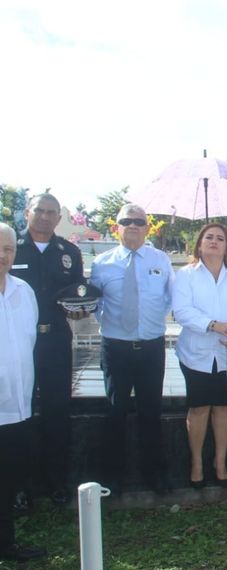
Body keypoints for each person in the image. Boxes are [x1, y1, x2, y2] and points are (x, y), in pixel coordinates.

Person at [89, 204, 174, 495]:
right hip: (116, 348)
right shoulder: (102, 263)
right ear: (117, 227)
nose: (133, 226)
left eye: (139, 221)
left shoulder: (161, 260)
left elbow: (170, 299)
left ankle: (156, 475)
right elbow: (94, 303)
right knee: (115, 412)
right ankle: (112, 477)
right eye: (127, 221)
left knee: (151, 411)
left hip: (150, 348)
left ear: (147, 227)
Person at [10, 193, 85, 506]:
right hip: (16, 343)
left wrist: (80, 310)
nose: (44, 216)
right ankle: (18, 487)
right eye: (38, 210)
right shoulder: (11, 247)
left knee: (57, 412)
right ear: (28, 212)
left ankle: (57, 483)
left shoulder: (68, 252)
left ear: (59, 218)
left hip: (55, 341)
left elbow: (80, 297)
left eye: (50, 212)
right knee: (17, 413)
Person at [173, 223, 227, 488]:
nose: (214, 241)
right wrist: (213, 324)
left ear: (226, 246)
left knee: (223, 408)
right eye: (208, 237)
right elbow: (182, 311)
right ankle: (197, 462)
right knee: (198, 409)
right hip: (196, 353)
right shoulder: (186, 275)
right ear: (199, 244)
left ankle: (220, 462)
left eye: (220, 238)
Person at [0, 222, 46, 562]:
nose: (2, 256)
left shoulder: (23, 291)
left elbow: (27, 344)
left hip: (18, 407)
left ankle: (7, 544)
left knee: (8, 478)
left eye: (8, 249)